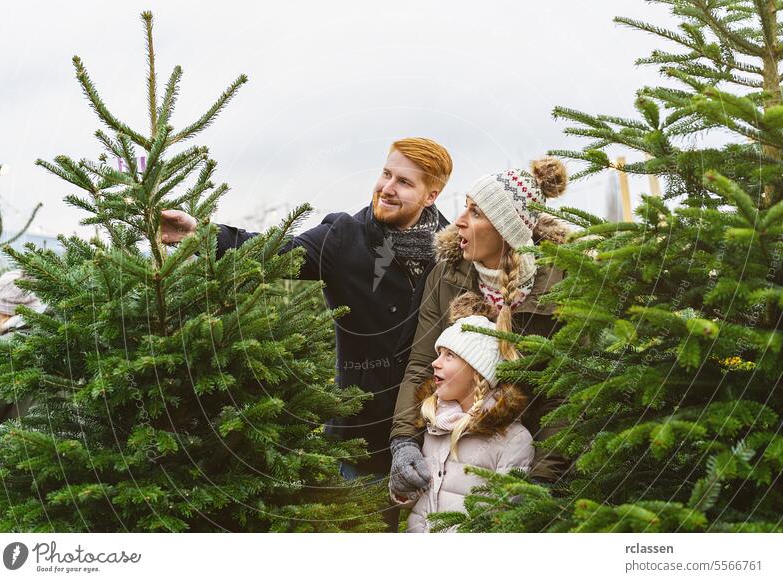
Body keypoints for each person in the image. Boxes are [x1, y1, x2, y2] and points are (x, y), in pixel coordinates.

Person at [159, 138, 453, 532]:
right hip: (360, 438)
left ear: (431, 195)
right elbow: (273, 252)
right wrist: (201, 234)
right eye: (386, 174)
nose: (387, 187)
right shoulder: (344, 236)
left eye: (404, 182)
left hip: (435, 435)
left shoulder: (453, 250)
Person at [389, 158, 572, 503]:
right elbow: (421, 363)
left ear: (507, 229)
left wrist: (542, 483)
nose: (458, 221)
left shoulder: (561, 285)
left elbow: (567, 395)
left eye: (475, 212)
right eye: (465, 208)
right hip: (455, 448)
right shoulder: (446, 276)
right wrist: (403, 442)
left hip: (522, 452)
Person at [389, 305, 534, 533]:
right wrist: (402, 488)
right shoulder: (434, 424)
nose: (435, 363)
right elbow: (417, 501)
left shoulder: (514, 441)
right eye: (438, 354)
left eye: (450, 356)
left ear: (478, 373)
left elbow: (502, 521)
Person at [0, 269, 45, 428]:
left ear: (5, 311)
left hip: (20, 444)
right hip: (68, 446)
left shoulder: (6, 349)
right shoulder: (59, 335)